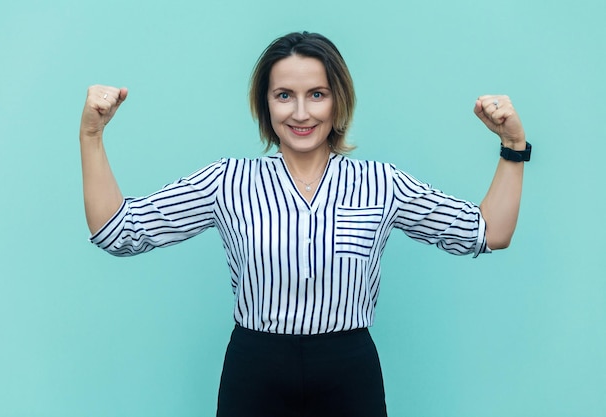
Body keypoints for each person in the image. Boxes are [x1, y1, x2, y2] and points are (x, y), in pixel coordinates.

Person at [79, 31, 529, 417]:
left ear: (338, 100)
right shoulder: (226, 181)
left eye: (317, 94)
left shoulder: (381, 183)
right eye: (284, 95)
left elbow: (489, 231)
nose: (300, 113)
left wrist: (513, 145)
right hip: (255, 370)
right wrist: (92, 136)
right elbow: (117, 231)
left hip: (349, 371)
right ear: (265, 103)